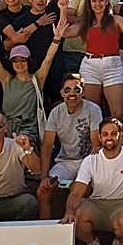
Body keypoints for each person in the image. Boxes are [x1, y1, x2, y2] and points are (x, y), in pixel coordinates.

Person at [0, 11, 67, 146]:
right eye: (15, 60)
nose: (19, 63)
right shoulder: (6, 80)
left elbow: (48, 60)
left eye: (23, 60)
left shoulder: (37, 79)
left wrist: (56, 39)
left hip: (29, 129)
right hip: (6, 129)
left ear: (29, 62)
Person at [68, 0, 123, 120]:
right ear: (89, 3)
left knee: (118, 114)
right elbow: (64, 33)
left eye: (101, 0)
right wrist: (62, 11)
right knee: (92, 113)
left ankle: (120, 141)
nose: (97, 4)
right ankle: (93, 141)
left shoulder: (115, 19)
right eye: (94, 1)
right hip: (89, 66)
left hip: (112, 66)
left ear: (107, 1)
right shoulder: (86, 22)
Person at [37, 73, 103, 220]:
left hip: (88, 161)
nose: (72, 93)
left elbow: (95, 145)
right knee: (43, 191)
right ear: (61, 93)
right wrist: (44, 177)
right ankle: (45, 233)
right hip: (65, 162)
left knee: (81, 190)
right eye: (67, 90)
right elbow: (47, 146)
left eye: (76, 89)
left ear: (83, 91)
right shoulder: (56, 113)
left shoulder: (93, 110)